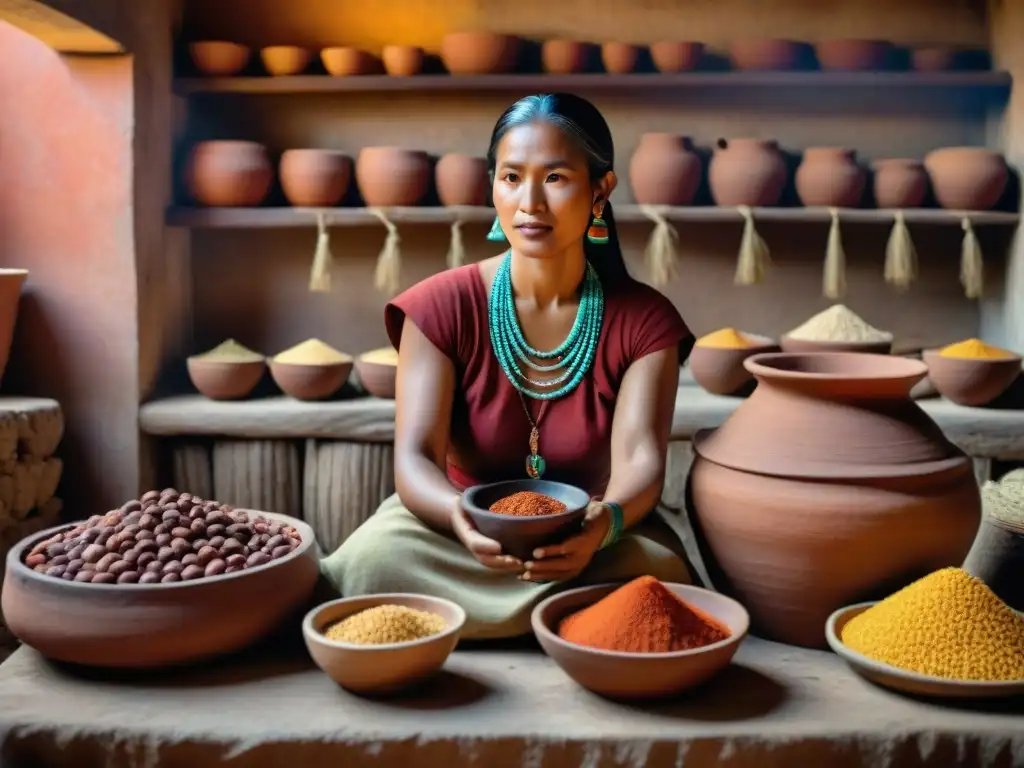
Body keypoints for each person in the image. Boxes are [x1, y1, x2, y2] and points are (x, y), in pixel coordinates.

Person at [321, 93, 695, 639]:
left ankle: (477, 624)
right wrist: (459, 519)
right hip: (457, 537)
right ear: (491, 184)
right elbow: (416, 458)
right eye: (512, 177)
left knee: (656, 573)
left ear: (601, 190)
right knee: (372, 560)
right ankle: (555, 625)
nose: (530, 203)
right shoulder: (440, 306)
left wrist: (602, 524)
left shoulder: (644, 321)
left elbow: (640, 460)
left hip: (588, 541)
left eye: (556, 178)